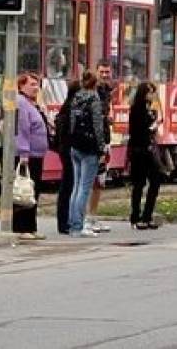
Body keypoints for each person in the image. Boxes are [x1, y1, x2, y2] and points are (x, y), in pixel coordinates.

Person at [68, 70, 107, 238]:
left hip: (75, 146)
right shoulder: (94, 99)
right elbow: (98, 126)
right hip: (89, 148)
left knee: (76, 187)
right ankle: (79, 226)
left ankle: (72, 223)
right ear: (95, 83)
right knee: (85, 188)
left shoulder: (76, 97)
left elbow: (72, 122)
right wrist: (101, 147)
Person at [13, 72, 48, 240]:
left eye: (37, 84)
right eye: (32, 84)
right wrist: (24, 153)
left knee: (32, 192)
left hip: (36, 155)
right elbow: (22, 130)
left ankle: (31, 227)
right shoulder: (21, 103)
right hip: (28, 156)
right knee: (24, 192)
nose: (36, 88)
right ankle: (22, 228)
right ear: (21, 86)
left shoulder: (31, 103)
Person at [84, 58, 115, 234]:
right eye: (101, 71)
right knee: (88, 181)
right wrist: (104, 119)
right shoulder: (90, 92)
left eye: (107, 72)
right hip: (95, 143)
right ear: (96, 71)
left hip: (104, 140)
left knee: (99, 182)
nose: (104, 75)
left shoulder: (106, 91)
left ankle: (92, 216)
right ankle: (85, 218)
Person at [128, 81, 163, 230]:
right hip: (139, 150)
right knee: (139, 184)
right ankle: (136, 217)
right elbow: (138, 130)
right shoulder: (137, 109)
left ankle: (147, 215)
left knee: (156, 179)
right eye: (149, 92)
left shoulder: (150, 109)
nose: (151, 95)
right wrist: (152, 127)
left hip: (149, 149)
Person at [54, 80, 80, 235]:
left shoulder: (67, 106)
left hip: (66, 149)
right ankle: (65, 222)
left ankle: (66, 221)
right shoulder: (72, 109)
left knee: (70, 185)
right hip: (70, 150)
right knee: (69, 185)